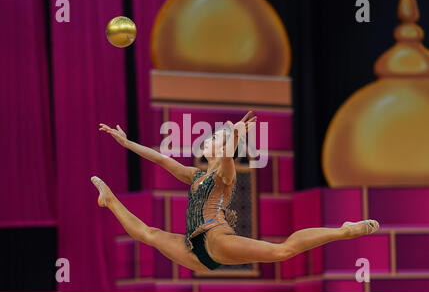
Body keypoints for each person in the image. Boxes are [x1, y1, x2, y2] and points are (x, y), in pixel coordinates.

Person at [91, 111, 379, 272]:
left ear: (222, 146)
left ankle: (343, 231)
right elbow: (160, 159)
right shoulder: (195, 175)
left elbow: (228, 157)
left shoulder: (225, 175)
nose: (206, 140)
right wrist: (126, 143)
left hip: (216, 239)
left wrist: (236, 135)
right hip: (195, 252)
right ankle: (109, 198)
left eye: (214, 137)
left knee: (282, 251)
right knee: (148, 234)